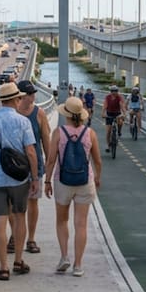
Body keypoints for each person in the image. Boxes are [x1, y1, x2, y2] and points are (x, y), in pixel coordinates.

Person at [0, 82, 39, 281]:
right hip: (19, 179)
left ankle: (3, 267)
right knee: (20, 217)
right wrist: (35, 177)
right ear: (16, 100)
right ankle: (18, 261)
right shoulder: (23, 122)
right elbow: (30, 152)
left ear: (2, 101)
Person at [44, 97, 102, 276]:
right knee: (81, 224)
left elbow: (51, 160)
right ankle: (78, 265)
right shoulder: (90, 133)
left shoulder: (58, 133)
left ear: (66, 114)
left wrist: (47, 181)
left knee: (62, 221)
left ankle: (64, 257)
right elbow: (97, 161)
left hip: (63, 181)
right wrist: (97, 178)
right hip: (85, 181)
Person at [11, 80, 50, 256]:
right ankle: (14, 236)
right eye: (30, 93)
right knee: (13, 204)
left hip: (35, 165)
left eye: (33, 93)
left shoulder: (39, 113)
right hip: (14, 165)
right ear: (20, 96)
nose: (33, 96)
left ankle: (31, 239)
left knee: (33, 202)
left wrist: (49, 163)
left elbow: (46, 140)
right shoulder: (12, 114)